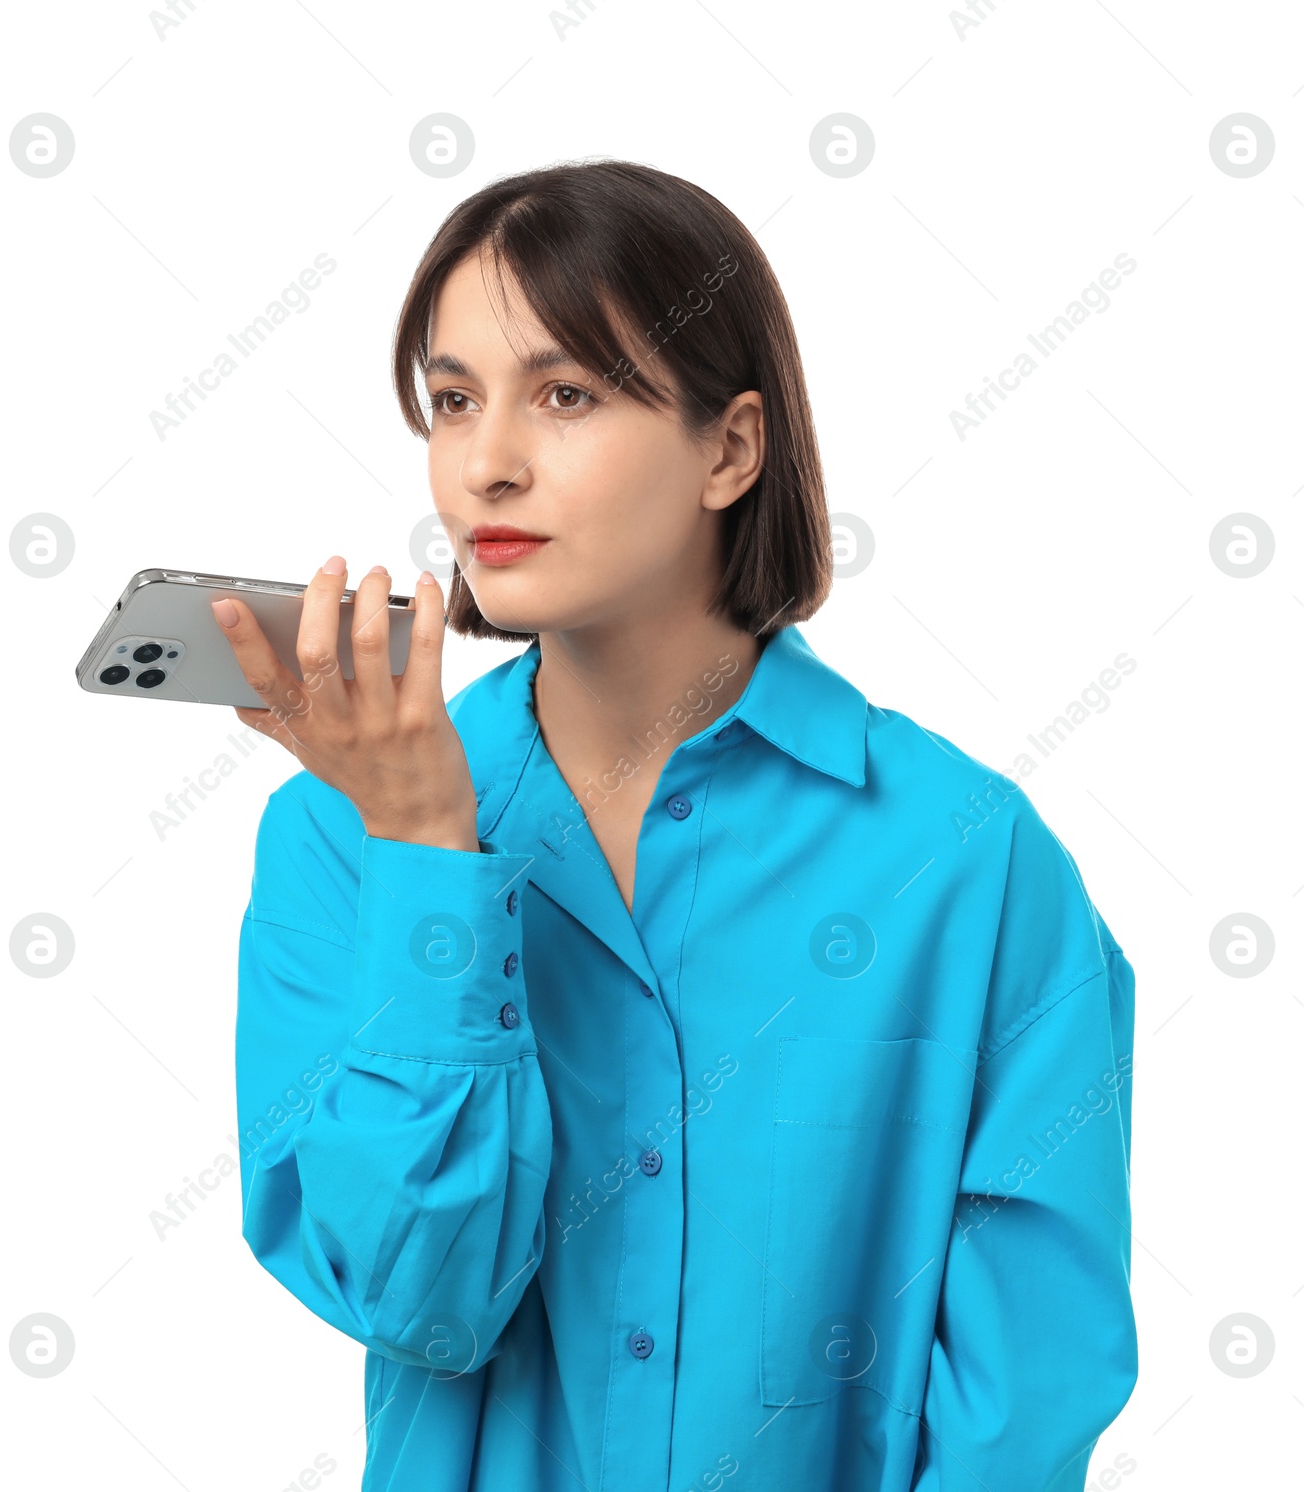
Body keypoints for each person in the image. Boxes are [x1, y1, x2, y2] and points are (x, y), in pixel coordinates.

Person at [217, 159, 1137, 1492]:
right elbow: (422, 1302)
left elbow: (1024, 1398)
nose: (487, 462)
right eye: (454, 400)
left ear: (730, 448)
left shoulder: (968, 863)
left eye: (567, 394)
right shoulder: (336, 838)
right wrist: (426, 853)